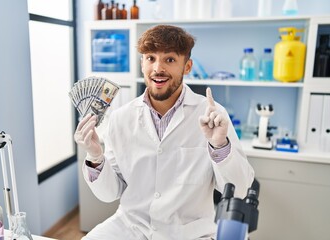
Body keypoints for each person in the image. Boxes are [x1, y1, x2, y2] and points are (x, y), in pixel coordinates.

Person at [74, 24, 254, 240]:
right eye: (150, 58)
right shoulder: (121, 118)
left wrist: (220, 145)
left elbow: (240, 189)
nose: (158, 68)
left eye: (169, 59)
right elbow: (110, 193)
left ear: (187, 67)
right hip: (131, 227)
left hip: (189, 233)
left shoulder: (212, 115)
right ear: (142, 63)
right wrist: (95, 157)